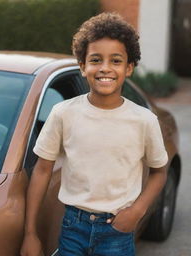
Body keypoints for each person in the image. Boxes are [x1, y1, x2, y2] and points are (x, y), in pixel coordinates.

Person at [20, 12, 168, 256]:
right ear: (83, 66)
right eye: (96, 60)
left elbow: (159, 172)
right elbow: (42, 170)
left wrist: (136, 211)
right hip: (72, 228)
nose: (105, 68)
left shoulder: (144, 120)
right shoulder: (63, 113)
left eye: (116, 61)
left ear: (129, 68)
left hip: (117, 231)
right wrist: (30, 233)